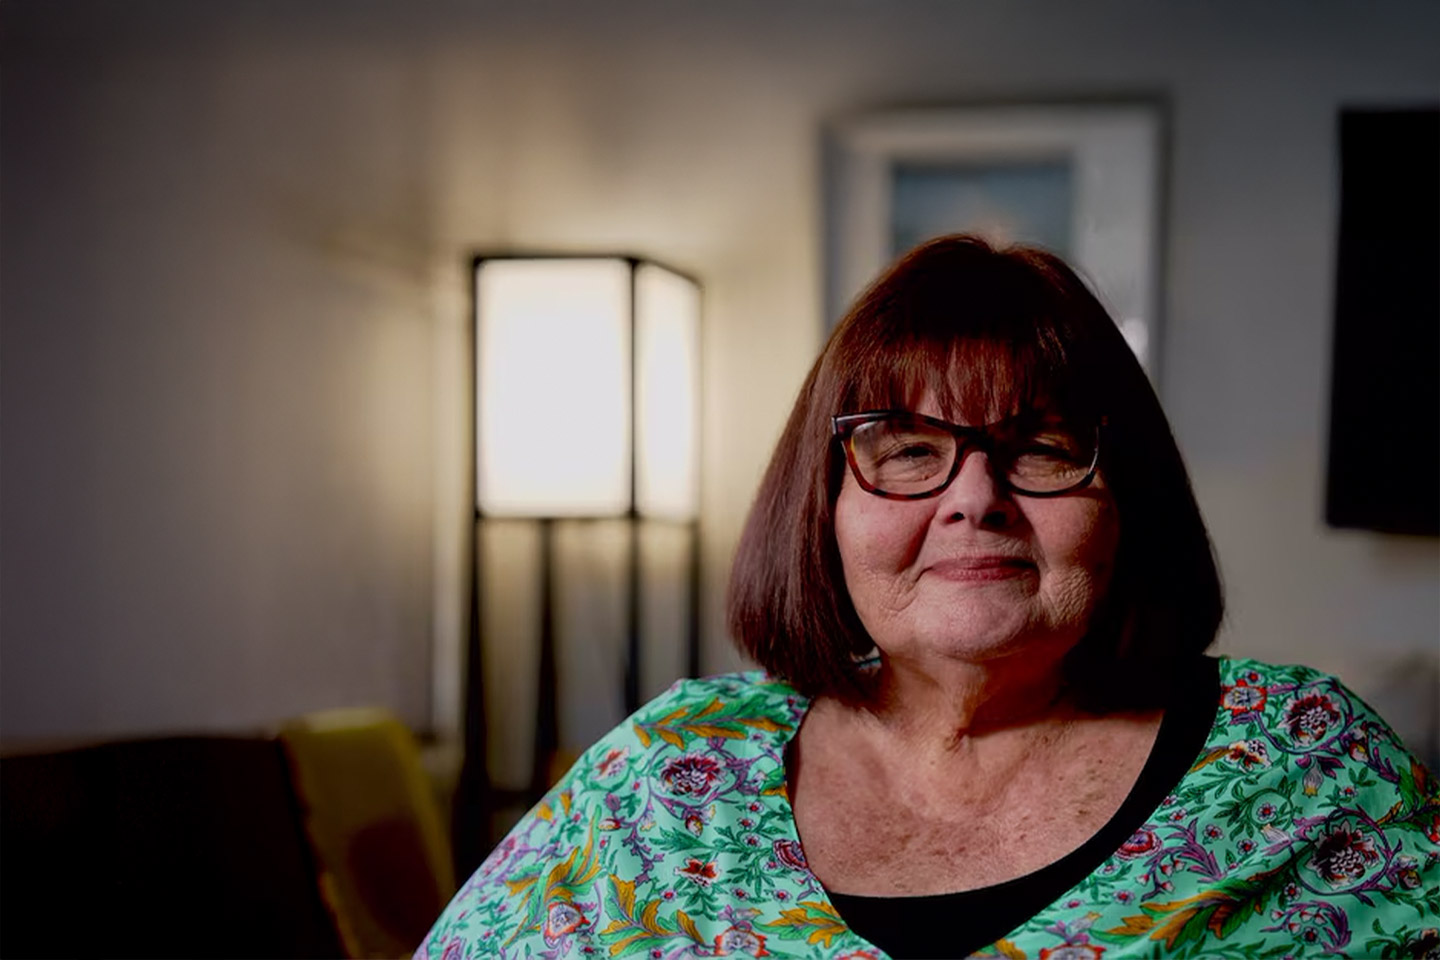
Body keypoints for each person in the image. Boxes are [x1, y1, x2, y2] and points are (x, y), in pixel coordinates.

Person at [417, 236, 1439, 959]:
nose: (975, 501)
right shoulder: (666, 774)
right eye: (909, 452)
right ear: (820, 508)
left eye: (1040, 449)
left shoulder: (1303, 765)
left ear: (1130, 502)